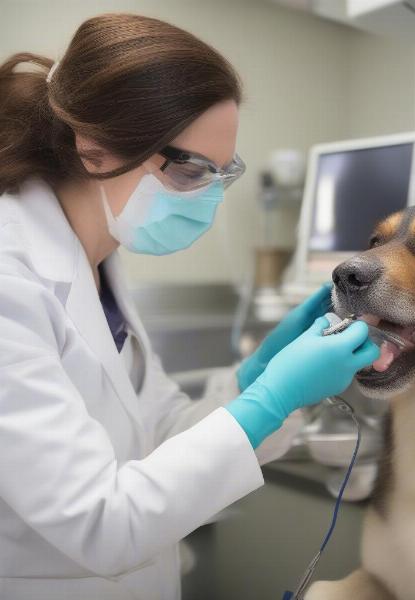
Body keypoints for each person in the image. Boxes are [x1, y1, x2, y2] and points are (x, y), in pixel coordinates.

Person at [0, 13, 380, 600]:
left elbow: (160, 438)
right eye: (188, 169)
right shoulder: (10, 280)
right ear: (95, 148)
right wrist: (272, 397)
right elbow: (101, 524)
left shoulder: (97, 264)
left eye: (221, 173)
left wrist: (259, 378)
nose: (207, 196)